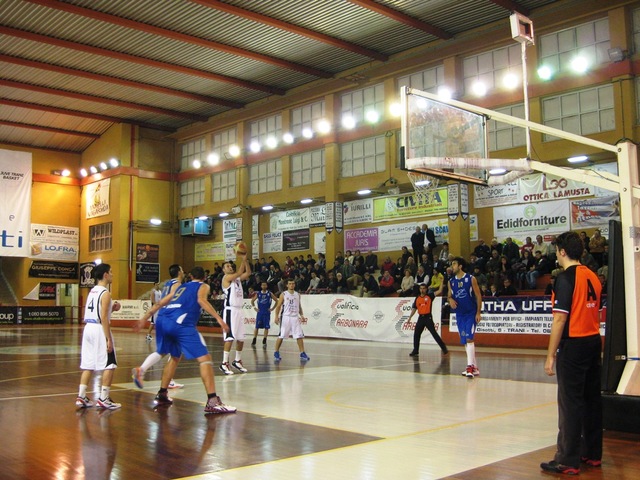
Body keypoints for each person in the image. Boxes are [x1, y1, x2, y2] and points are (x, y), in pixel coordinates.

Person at [540, 231, 603, 475]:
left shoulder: (565, 279)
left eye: (557, 250)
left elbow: (559, 319)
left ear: (563, 252)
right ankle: (592, 452)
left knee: (570, 403)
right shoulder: (593, 276)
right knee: (591, 399)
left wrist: (550, 355)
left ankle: (567, 459)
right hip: (593, 340)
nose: (556, 254)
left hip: (574, 344)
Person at [141, 266, 236, 414]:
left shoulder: (181, 287)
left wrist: (146, 316)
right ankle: (212, 401)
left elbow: (161, 302)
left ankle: (162, 393)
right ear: (204, 277)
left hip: (165, 321)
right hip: (181, 323)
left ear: (191, 276)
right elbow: (201, 300)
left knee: (174, 356)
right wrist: (219, 319)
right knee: (205, 360)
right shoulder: (203, 286)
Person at [132, 264, 186, 390]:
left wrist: (145, 317)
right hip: (171, 319)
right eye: (182, 270)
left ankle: (141, 369)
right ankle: (169, 380)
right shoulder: (177, 285)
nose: (183, 272)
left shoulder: (166, 285)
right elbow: (174, 301)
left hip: (161, 317)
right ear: (179, 272)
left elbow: (160, 303)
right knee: (176, 354)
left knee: (162, 351)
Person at [76, 263, 122, 410]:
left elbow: (98, 312)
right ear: (105, 275)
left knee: (88, 364)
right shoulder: (105, 293)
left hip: (88, 328)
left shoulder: (92, 291)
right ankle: (104, 398)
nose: (113, 274)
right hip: (98, 329)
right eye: (111, 272)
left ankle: (81, 396)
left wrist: (111, 309)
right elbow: (103, 317)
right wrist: (108, 339)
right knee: (110, 363)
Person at [447, 257, 482, 379]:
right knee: (465, 341)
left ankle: (469, 367)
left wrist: (478, 313)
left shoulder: (471, 279)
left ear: (460, 266)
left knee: (469, 339)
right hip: (460, 314)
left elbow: (478, 296)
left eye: (454, 264)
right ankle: (475, 367)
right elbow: (449, 295)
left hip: (470, 313)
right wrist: (450, 300)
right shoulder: (451, 281)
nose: (452, 266)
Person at [220, 255, 252, 375]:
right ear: (224, 270)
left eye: (230, 265)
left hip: (239, 310)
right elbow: (239, 272)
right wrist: (242, 259)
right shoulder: (226, 278)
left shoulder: (237, 279)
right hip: (230, 310)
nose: (230, 267)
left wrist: (245, 260)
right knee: (230, 337)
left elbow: (248, 272)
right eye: (227, 266)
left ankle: (237, 361)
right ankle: (224, 363)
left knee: (241, 338)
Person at [273, 279, 310, 362]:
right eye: (290, 284)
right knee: (282, 335)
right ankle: (276, 352)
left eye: (293, 283)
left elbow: (299, 306)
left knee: (299, 335)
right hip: (286, 317)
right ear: (287, 285)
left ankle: (302, 353)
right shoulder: (283, 294)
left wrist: (302, 315)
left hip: (295, 317)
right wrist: (276, 317)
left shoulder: (297, 294)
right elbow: (278, 306)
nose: (292, 285)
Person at [407, 283, 447, 357]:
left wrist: (441, 282)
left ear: (426, 289)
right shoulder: (417, 298)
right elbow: (414, 308)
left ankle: (444, 348)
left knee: (434, 333)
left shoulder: (430, 296)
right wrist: (410, 317)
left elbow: (439, 291)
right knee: (416, 334)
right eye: (421, 288)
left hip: (428, 317)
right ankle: (415, 350)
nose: (422, 290)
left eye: (423, 288)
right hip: (420, 318)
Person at [251, 281, 277, 347]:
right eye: (263, 285)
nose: (264, 286)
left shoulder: (269, 293)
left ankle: (265, 339)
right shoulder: (258, 293)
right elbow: (252, 301)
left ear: (267, 286)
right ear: (261, 286)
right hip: (260, 313)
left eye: (265, 285)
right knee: (257, 327)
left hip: (266, 313)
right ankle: (254, 339)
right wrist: (255, 308)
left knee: (266, 327)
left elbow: (277, 301)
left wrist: (272, 308)